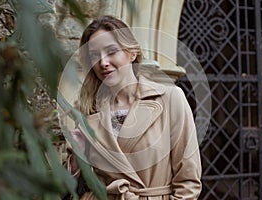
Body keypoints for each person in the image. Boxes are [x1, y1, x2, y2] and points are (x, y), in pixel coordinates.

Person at [65, 15, 202, 199]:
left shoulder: (169, 98)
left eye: (112, 51)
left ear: (132, 52)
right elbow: (68, 184)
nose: (103, 62)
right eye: (95, 55)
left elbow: (189, 182)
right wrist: (76, 157)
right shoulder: (89, 109)